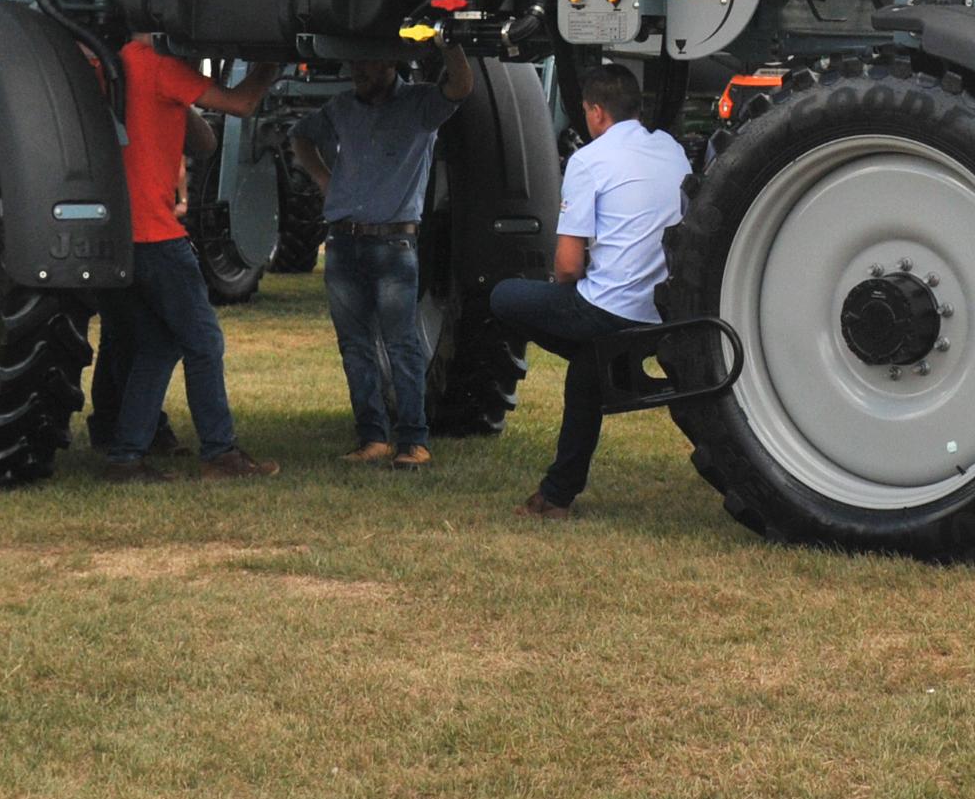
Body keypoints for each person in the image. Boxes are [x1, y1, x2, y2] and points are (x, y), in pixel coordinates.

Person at [485, 63, 692, 520]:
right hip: (662, 313)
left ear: (596, 112)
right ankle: (557, 494)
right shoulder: (671, 149)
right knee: (587, 369)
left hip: (609, 310)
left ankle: (609, 369)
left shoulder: (588, 161)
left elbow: (567, 267)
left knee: (503, 296)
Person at [290, 39, 478, 469]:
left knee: (401, 344)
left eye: (368, 59)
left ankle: (413, 440)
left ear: (392, 60)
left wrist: (448, 42)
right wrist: (323, 179)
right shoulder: (341, 108)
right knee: (354, 346)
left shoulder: (420, 105)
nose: (358, 69)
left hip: (393, 243)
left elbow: (461, 86)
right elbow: (300, 136)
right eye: (353, 60)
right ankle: (372, 438)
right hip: (343, 242)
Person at [100, 35, 280, 482]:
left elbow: (203, 141)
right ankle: (219, 452)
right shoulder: (159, 66)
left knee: (157, 345)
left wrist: (186, 98)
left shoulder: (122, 66)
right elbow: (242, 104)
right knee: (204, 341)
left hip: (121, 237)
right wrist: (271, 61)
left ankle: (126, 455)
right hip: (157, 235)